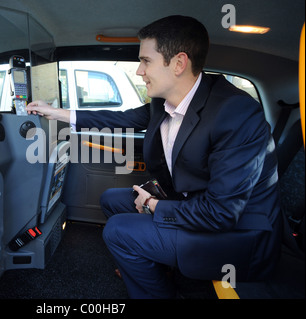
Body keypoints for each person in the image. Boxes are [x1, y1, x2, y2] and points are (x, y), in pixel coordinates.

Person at [26, 15, 282, 299]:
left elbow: (221, 214)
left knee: (118, 231)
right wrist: (57, 113)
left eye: (146, 61)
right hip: (196, 203)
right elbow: (121, 119)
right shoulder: (163, 102)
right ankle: (152, 270)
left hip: (235, 235)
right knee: (111, 199)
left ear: (178, 63)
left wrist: (154, 205)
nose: (139, 71)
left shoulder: (236, 113)